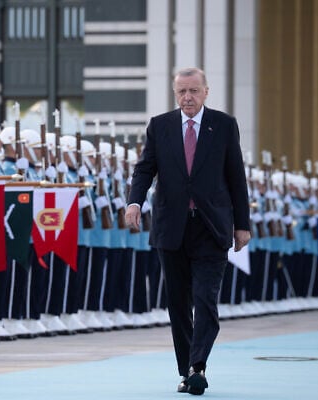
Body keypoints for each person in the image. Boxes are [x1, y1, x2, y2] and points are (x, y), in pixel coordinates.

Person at [125, 67, 251, 396]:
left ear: (206, 92)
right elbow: (144, 169)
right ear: (175, 93)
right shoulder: (160, 126)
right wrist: (134, 203)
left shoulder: (223, 125)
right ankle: (187, 370)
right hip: (172, 227)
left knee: (205, 299)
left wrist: (243, 224)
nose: (187, 97)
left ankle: (198, 367)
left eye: (194, 91)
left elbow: (236, 176)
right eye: (181, 91)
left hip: (211, 227)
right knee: (178, 304)